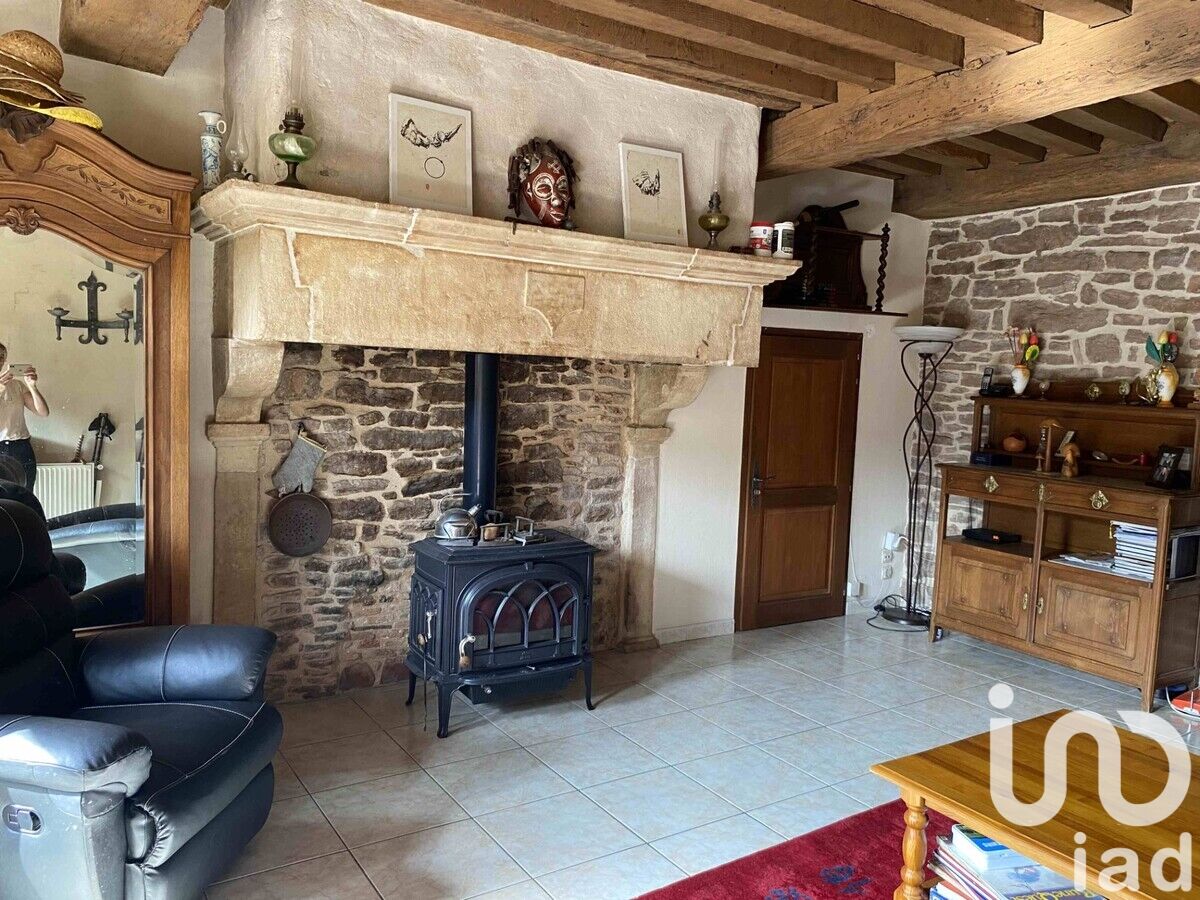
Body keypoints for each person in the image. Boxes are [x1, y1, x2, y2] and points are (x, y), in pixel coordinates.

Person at [0, 341, 49, 490]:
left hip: (21, 447)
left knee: (26, 494)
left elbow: (43, 412)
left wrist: (32, 386)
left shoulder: (16, 385)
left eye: (2, 357)